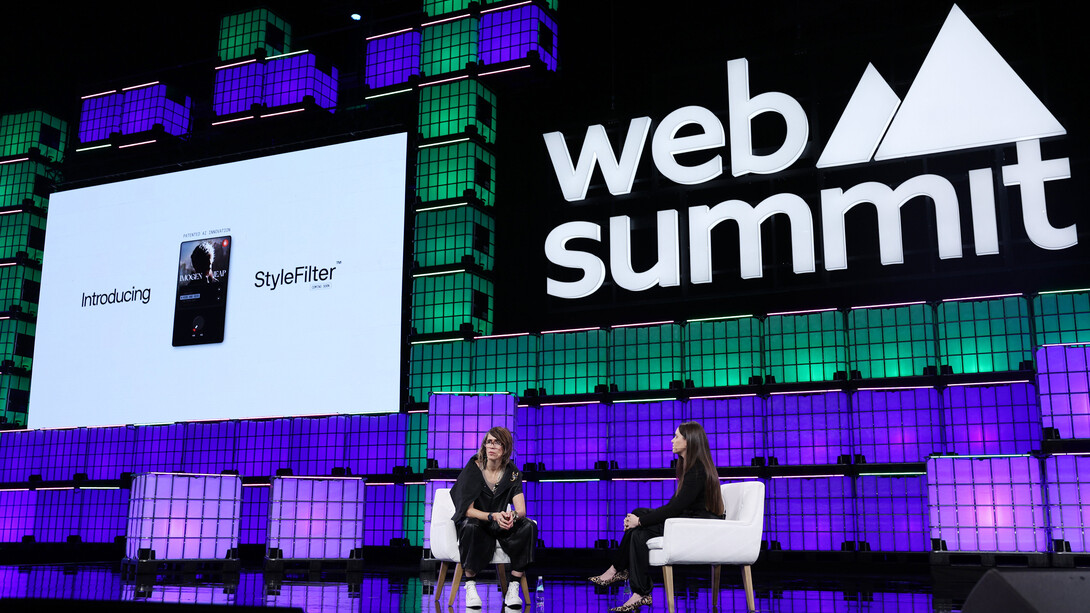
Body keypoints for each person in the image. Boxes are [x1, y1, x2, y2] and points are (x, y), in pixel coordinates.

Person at [589, 422, 725, 612]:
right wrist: (638, 519)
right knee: (638, 514)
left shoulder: (697, 471)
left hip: (694, 527)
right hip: (684, 521)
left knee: (639, 532)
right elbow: (674, 506)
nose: (672, 440)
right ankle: (629, 581)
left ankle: (627, 578)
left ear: (689, 441)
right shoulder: (691, 468)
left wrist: (639, 522)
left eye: (676, 436)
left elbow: (675, 508)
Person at [449, 426, 536, 608]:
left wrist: (510, 516)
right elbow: (467, 511)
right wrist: (493, 516)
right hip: (478, 522)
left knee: (528, 525)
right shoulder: (474, 467)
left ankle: (513, 586)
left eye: (497, 443)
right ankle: (470, 585)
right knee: (469, 525)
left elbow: (521, 510)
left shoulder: (512, 472)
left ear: (505, 448)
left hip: (498, 524)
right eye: (489, 442)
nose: (491, 446)